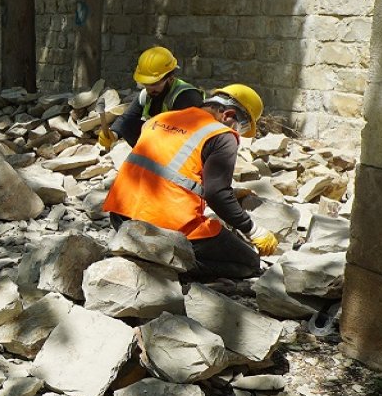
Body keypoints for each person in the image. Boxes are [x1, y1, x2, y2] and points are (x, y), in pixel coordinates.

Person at [102, 84, 277, 279]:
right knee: (249, 262)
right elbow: (217, 194)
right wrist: (252, 229)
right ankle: (169, 267)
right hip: (166, 226)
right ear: (227, 115)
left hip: (120, 216)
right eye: (240, 127)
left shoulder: (161, 118)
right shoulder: (222, 135)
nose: (237, 133)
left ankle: (144, 253)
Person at [99, 46, 203, 149]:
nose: (149, 88)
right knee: (128, 125)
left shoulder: (187, 96)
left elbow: (182, 134)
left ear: (170, 78)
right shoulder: (146, 94)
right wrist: (113, 134)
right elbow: (126, 118)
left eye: (155, 83)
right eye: (146, 83)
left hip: (182, 147)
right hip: (159, 143)